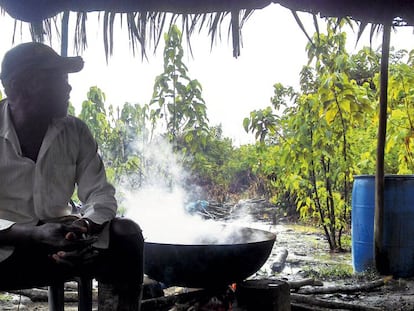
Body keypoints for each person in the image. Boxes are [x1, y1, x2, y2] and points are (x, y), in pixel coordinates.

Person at [0, 42, 144, 310]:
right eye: (58, 79)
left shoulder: (75, 131)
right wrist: (31, 234)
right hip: (7, 245)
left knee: (127, 235)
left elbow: (101, 194)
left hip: (64, 243)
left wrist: (84, 228)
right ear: (23, 86)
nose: (68, 88)